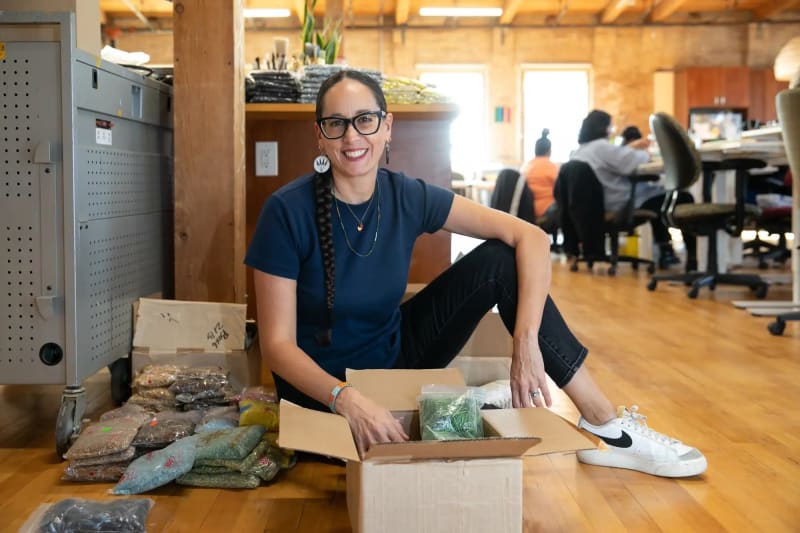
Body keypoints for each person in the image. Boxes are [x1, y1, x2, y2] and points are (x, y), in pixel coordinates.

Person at [245, 71, 707, 478]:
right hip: (322, 392)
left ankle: (605, 424)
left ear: (387, 127)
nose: (352, 137)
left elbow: (532, 238)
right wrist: (346, 399)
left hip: (394, 359)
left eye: (365, 120)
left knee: (499, 261)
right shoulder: (287, 210)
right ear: (320, 137)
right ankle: (479, 401)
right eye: (336, 124)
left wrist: (524, 346)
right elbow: (279, 347)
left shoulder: (406, 194)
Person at [570, 110, 697, 270]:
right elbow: (637, 161)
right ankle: (692, 257)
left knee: (659, 199)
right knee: (681, 197)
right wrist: (640, 149)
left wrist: (628, 147)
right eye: (611, 126)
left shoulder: (579, 152)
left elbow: (619, 159)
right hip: (622, 203)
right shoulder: (601, 147)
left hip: (600, 205)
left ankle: (667, 251)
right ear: (604, 128)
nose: (613, 129)